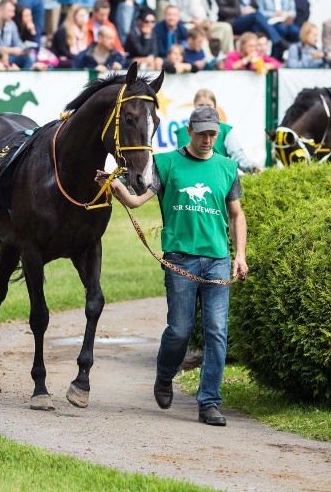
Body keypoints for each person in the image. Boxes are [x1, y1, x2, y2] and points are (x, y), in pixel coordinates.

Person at [105, 105, 248, 428]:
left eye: (213, 133)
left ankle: (209, 402)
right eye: (203, 133)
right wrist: (118, 189)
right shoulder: (167, 163)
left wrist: (239, 255)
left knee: (217, 333)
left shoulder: (227, 167)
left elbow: (237, 215)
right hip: (180, 259)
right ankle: (165, 375)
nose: (208, 139)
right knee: (179, 331)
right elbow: (138, 200)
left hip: (217, 261)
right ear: (190, 131)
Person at [173, 89, 261, 174]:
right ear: (194, 106)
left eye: (208, 105)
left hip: (217, 176)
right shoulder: (182, 132)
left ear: (215, 106)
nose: (205, 108)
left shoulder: (224, 130)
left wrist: (252, 166)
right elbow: (176, 160)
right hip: (188, 176)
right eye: (201, 105)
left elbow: (237, 155)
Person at [50, 3, 87, 68]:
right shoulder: (63, 30)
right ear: (73, 16)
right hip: (61, 60)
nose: (83, 19)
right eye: (81, 16)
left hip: (77, 58)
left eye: (84, 16)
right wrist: (76, 57)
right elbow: (62, 50)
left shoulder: (84, 31)